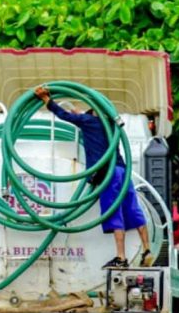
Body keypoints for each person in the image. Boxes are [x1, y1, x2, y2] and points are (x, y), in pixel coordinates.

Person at [33, 85, 152, 268]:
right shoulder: (112, 125)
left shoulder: (88, 122)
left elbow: (66, 116)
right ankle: (146, 249)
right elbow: (81, 113)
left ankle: (121, 257)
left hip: (107, 172)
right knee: (133, 209)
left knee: (113, 212)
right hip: (122, 170)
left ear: (92, 111)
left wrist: (47, 100)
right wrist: (80, 111)